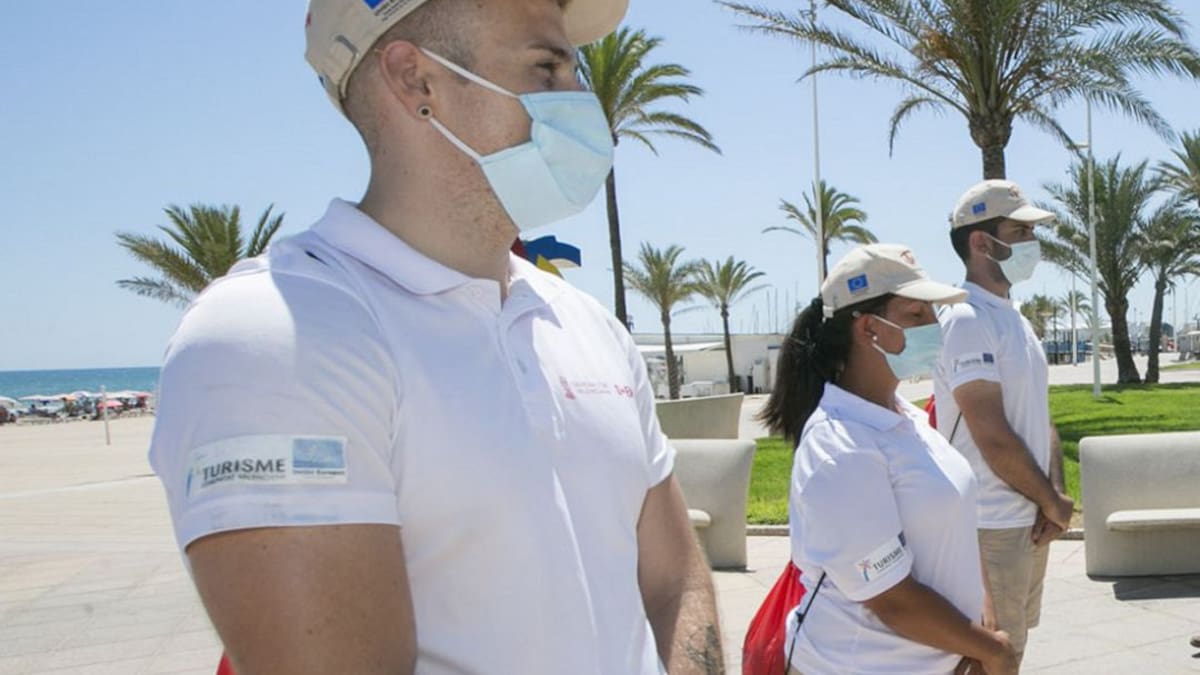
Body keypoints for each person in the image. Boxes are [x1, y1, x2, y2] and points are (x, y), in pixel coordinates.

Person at [147, 1, 723, 673]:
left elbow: (675, 581)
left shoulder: (589, 326)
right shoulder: (274, 339)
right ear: (415, 80)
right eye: (547, 68)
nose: (580, 100)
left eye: (576, 71)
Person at [761, 243, 1017, 675]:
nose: (934, 326)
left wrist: (981, 622)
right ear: (868, 329)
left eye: (932, 312)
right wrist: (992, 650)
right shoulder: (839, 445)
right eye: (916, 314)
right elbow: (890, 597)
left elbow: (957, 527)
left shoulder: (906, 418)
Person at [933, 179, 1075, 665]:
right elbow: (990, 434)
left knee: (1011, 650)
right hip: (988, 525)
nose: (1032, 243)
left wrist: (1054, 497)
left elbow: (1040, 418)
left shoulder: (1014, 318)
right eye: (1020, 232)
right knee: (990, 657)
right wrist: (1050, 501)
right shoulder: (966, 319)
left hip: (1027, 520)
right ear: (981, 242)